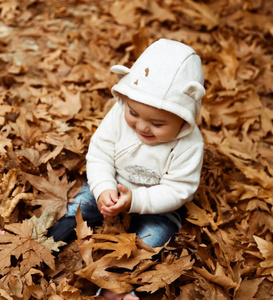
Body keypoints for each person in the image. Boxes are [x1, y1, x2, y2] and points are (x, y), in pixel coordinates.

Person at [48, 38, 205, 300]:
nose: (142, 127)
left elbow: (179, 190)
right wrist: (103, 188)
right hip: (114, 182)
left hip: (159, 205)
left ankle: (118, 287)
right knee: (79, 206)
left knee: (153, 238)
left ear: (184, 120)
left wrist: (136, 200)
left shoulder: (189, 145)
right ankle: (48, 242)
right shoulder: (119, 114)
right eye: (134, 113)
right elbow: (99, 154)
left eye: (157, 123)